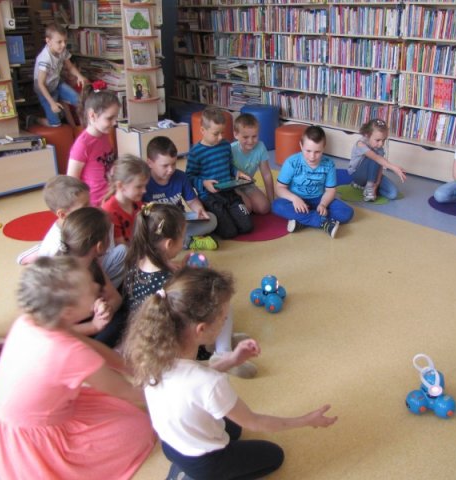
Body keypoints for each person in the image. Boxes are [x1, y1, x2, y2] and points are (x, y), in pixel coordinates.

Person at [123, 267, 337, 480]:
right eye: (224, 318)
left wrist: (232, 360)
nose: (226, 321)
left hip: (172, 446)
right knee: (275, 456)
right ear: (201, 329)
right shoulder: (209, 383)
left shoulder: (154, 354)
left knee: (233, 430)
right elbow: (255, 422)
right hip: (203, 462)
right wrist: (306, 420)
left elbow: (192, 381)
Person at [0, 256, 155, 479]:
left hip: (19, 419)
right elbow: (124, 391)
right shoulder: (67, 353)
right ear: (68, 311)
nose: (96, 286)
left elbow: (95, 348)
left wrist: (132, 368)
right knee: (139, 427)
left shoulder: (31, 321)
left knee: (119, 409)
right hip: (34, 436)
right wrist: (164, 395)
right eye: (89, 287)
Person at [124, 202, 256, 378]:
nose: (184, 241)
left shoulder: (137, 264)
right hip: (182, 346)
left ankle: (218, 342)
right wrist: (200, 275)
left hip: (154, 341)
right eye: (183, 237)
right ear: (169, 244)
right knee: (221, 298)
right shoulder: (169, 281)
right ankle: (222, 352)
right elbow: (193, 301)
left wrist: (178, 267)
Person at [16, 175, 126, 288]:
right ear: (63, 214)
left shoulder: (80, 223)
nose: (91, 208)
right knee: (122, 252)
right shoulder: (56, 247)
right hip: (73, 281)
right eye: (85, 206)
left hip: (86, 266)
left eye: (89, 202)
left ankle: (35, 251)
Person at [59, 207, 126, 346]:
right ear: (100, 246)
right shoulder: (63, 277)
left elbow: (115, 298)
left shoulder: (92, 263)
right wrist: (93, 326)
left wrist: (106, 310)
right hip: (69, 335)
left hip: (90, 320)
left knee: (125, 311)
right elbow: (57, 329)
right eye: (109, 236)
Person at [272, 125, 354, 238]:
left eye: (317, 152)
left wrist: (323, 204)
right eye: (308, 151)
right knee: (277, 205)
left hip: (319, 199)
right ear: (301, 146)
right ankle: (323, 222)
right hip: (296, 200)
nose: (312, 157)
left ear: (323, 148)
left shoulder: (329, 164)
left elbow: (330, 190)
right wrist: (295, 199)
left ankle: (302, 221)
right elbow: (279, 188)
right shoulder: (291, 162)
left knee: (347, 212)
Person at [186, 107, 254, 239]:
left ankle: (226, 215)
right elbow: (189, 177)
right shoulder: (195, 152)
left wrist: (237, 173)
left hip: (229, 192)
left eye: (222, 132)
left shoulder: (225, 145)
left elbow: (230, 165)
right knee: (229, 233)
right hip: (210, 197)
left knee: (247, 227)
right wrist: (204, 183)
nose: (221, 137)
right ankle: (210, 213)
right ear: (203, 130)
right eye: (216, 133)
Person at [143, 136, 218, 251]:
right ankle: (188, 241)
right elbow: (144, 215)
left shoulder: (181, 176)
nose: (171, 170)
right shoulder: (144, 182)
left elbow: (192, 201)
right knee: (149, 232)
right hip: (158, 225)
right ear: (150, 163)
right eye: (165, 166)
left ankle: (178, 241)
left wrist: (199, 210)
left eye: (174, 164)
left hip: (180, 220)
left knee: (212, 220)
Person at [67, 85, 120, 206]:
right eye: (110, 118)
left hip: (109, 197)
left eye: (116, 117)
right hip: (94, 204)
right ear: (92, 115)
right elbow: (71, 182)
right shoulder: (83, 144)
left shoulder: (105, 134)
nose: (114, 122)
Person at [33, 23, 87, 127]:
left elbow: (70, 67)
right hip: (45, 88)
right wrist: (52, 103)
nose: (63, 45)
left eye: (65, 41)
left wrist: (79, 76)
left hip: (56, 82)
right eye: (59, 42)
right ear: (48, 41)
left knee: (79, 101)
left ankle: (63, 100)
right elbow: (41, 84)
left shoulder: (62, 50)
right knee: (55, 124)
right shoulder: (45, 59)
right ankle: (35, 120)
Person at [348, 119, 406, 202]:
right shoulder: (360, 144)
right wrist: (394, 167)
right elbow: (376, 158)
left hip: (372, 175)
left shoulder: (379, 148)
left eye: (384, 140)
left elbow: (380, 167)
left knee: (393, 194)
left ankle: (368, 188)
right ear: (367, 135)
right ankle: (366, 186)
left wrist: (376, 184)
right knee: (375, 156)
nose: (381, 144)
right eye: (378, 140)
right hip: (358, 175)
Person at [231, 113, 275, 214]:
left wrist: (271, 200)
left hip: (248, 185)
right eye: (245, 137)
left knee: (264, 208)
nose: (250, 141)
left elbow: (266, 174)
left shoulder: (261, 147)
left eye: (254, 136)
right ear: (236, 134)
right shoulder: (231, 149)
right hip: (232, 187)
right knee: (247, 208)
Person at [101, 154, 150, 245]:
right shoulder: (110, 210)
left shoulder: (137, 203)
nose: (144, 191)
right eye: (139, 187)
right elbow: (122, 247)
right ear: (120, 186)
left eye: (145, 186)